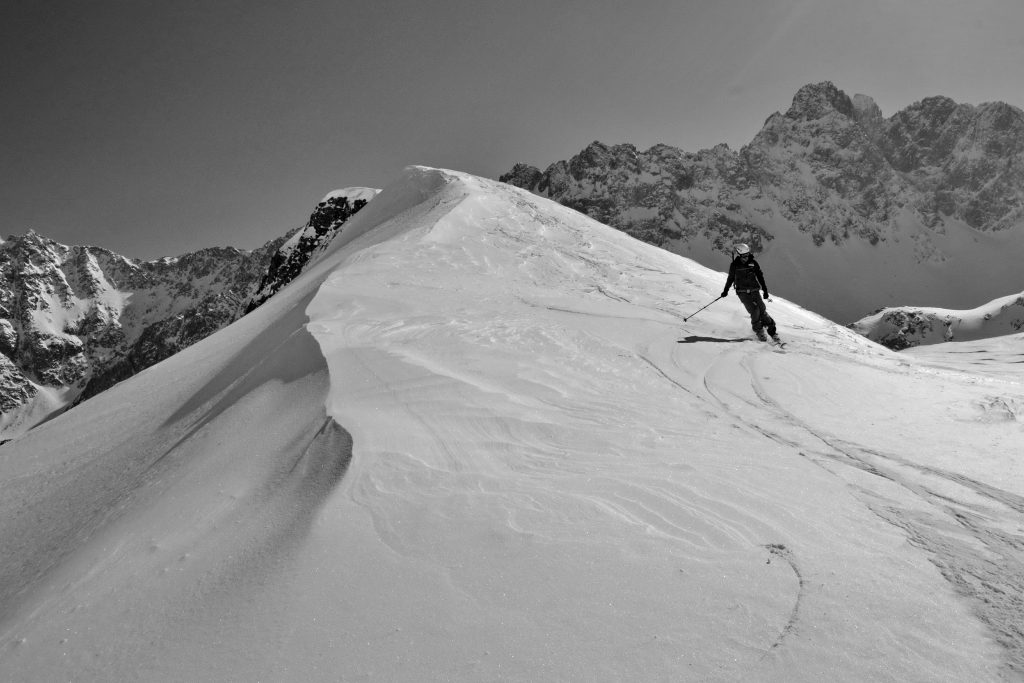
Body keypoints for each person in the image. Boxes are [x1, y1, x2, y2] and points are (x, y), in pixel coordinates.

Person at [721, 244, 780, 342]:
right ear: (739, 255)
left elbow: (760, 277)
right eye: (744, 256)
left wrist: (765, 291)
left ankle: (772, 332)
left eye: (747, 255)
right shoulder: (735, 265)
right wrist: (725, 290)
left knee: (762, 310)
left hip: (754, 290)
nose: (746, 257)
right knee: (754, 310)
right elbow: (730, 278)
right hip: (742, 292)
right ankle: (759, 331)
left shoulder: (753, 263)